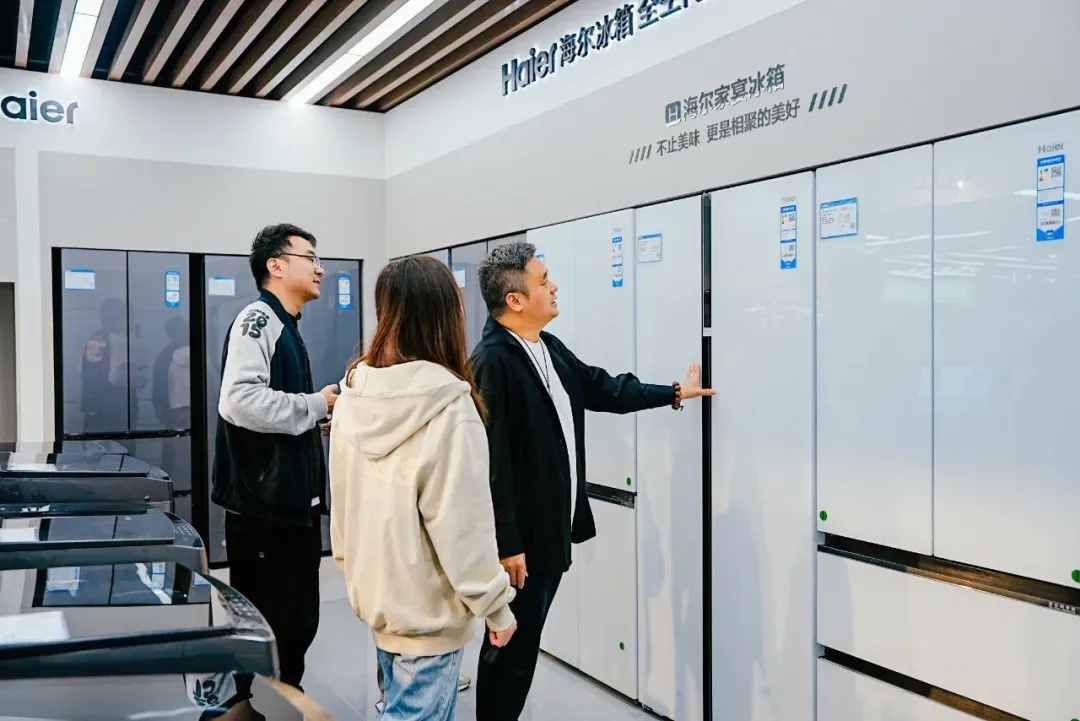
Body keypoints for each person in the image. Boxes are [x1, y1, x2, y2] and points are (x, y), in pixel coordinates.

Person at [470, 241, 715, 721]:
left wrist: (672, 392)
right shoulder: (492, 360)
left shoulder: (545, 347)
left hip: (549, 533)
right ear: (515, 300)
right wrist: (507, 543)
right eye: (543, 281)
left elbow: (603, 387)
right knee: (510, 652)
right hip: (521, 548)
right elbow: (491, 463)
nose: (554, 287)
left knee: (521, 646)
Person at [329, 256, 518, 721]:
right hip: (429, 614)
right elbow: (463, 526)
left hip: (379, 600)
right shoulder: (450, 405)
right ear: (446, 315)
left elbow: (343, 505)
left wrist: (357, 575)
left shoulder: (353, 393)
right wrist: (496, 607)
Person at [211, 223, 339, 721]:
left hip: (290, 506)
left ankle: (266, 708)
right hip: (265, 511)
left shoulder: (286, 322)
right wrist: (314, 404)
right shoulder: (258, 318)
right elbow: (238, 401)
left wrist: (312, 420)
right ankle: (253, 711)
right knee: (272, 626)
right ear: (276, 266)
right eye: (310, 257)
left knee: (296, 622)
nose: (320, 268)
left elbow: (275, 409)